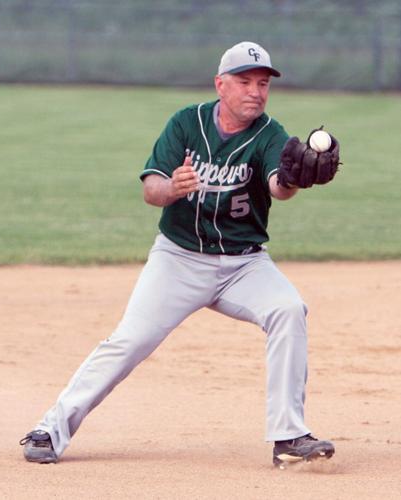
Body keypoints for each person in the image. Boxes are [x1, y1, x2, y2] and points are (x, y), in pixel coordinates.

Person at [20, 41, 340, 469]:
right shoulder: (186, 124)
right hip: (178, 259)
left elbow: (280, 186)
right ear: (220, 84)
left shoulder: (270, 133)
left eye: (262, 83)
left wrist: (299, 178)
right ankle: (50, 428)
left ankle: (288, 436)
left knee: (287, 309)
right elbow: (151, 190)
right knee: (129, 340)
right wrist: (172, 188)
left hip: (244, 264)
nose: (255, 92)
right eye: (244, 82)